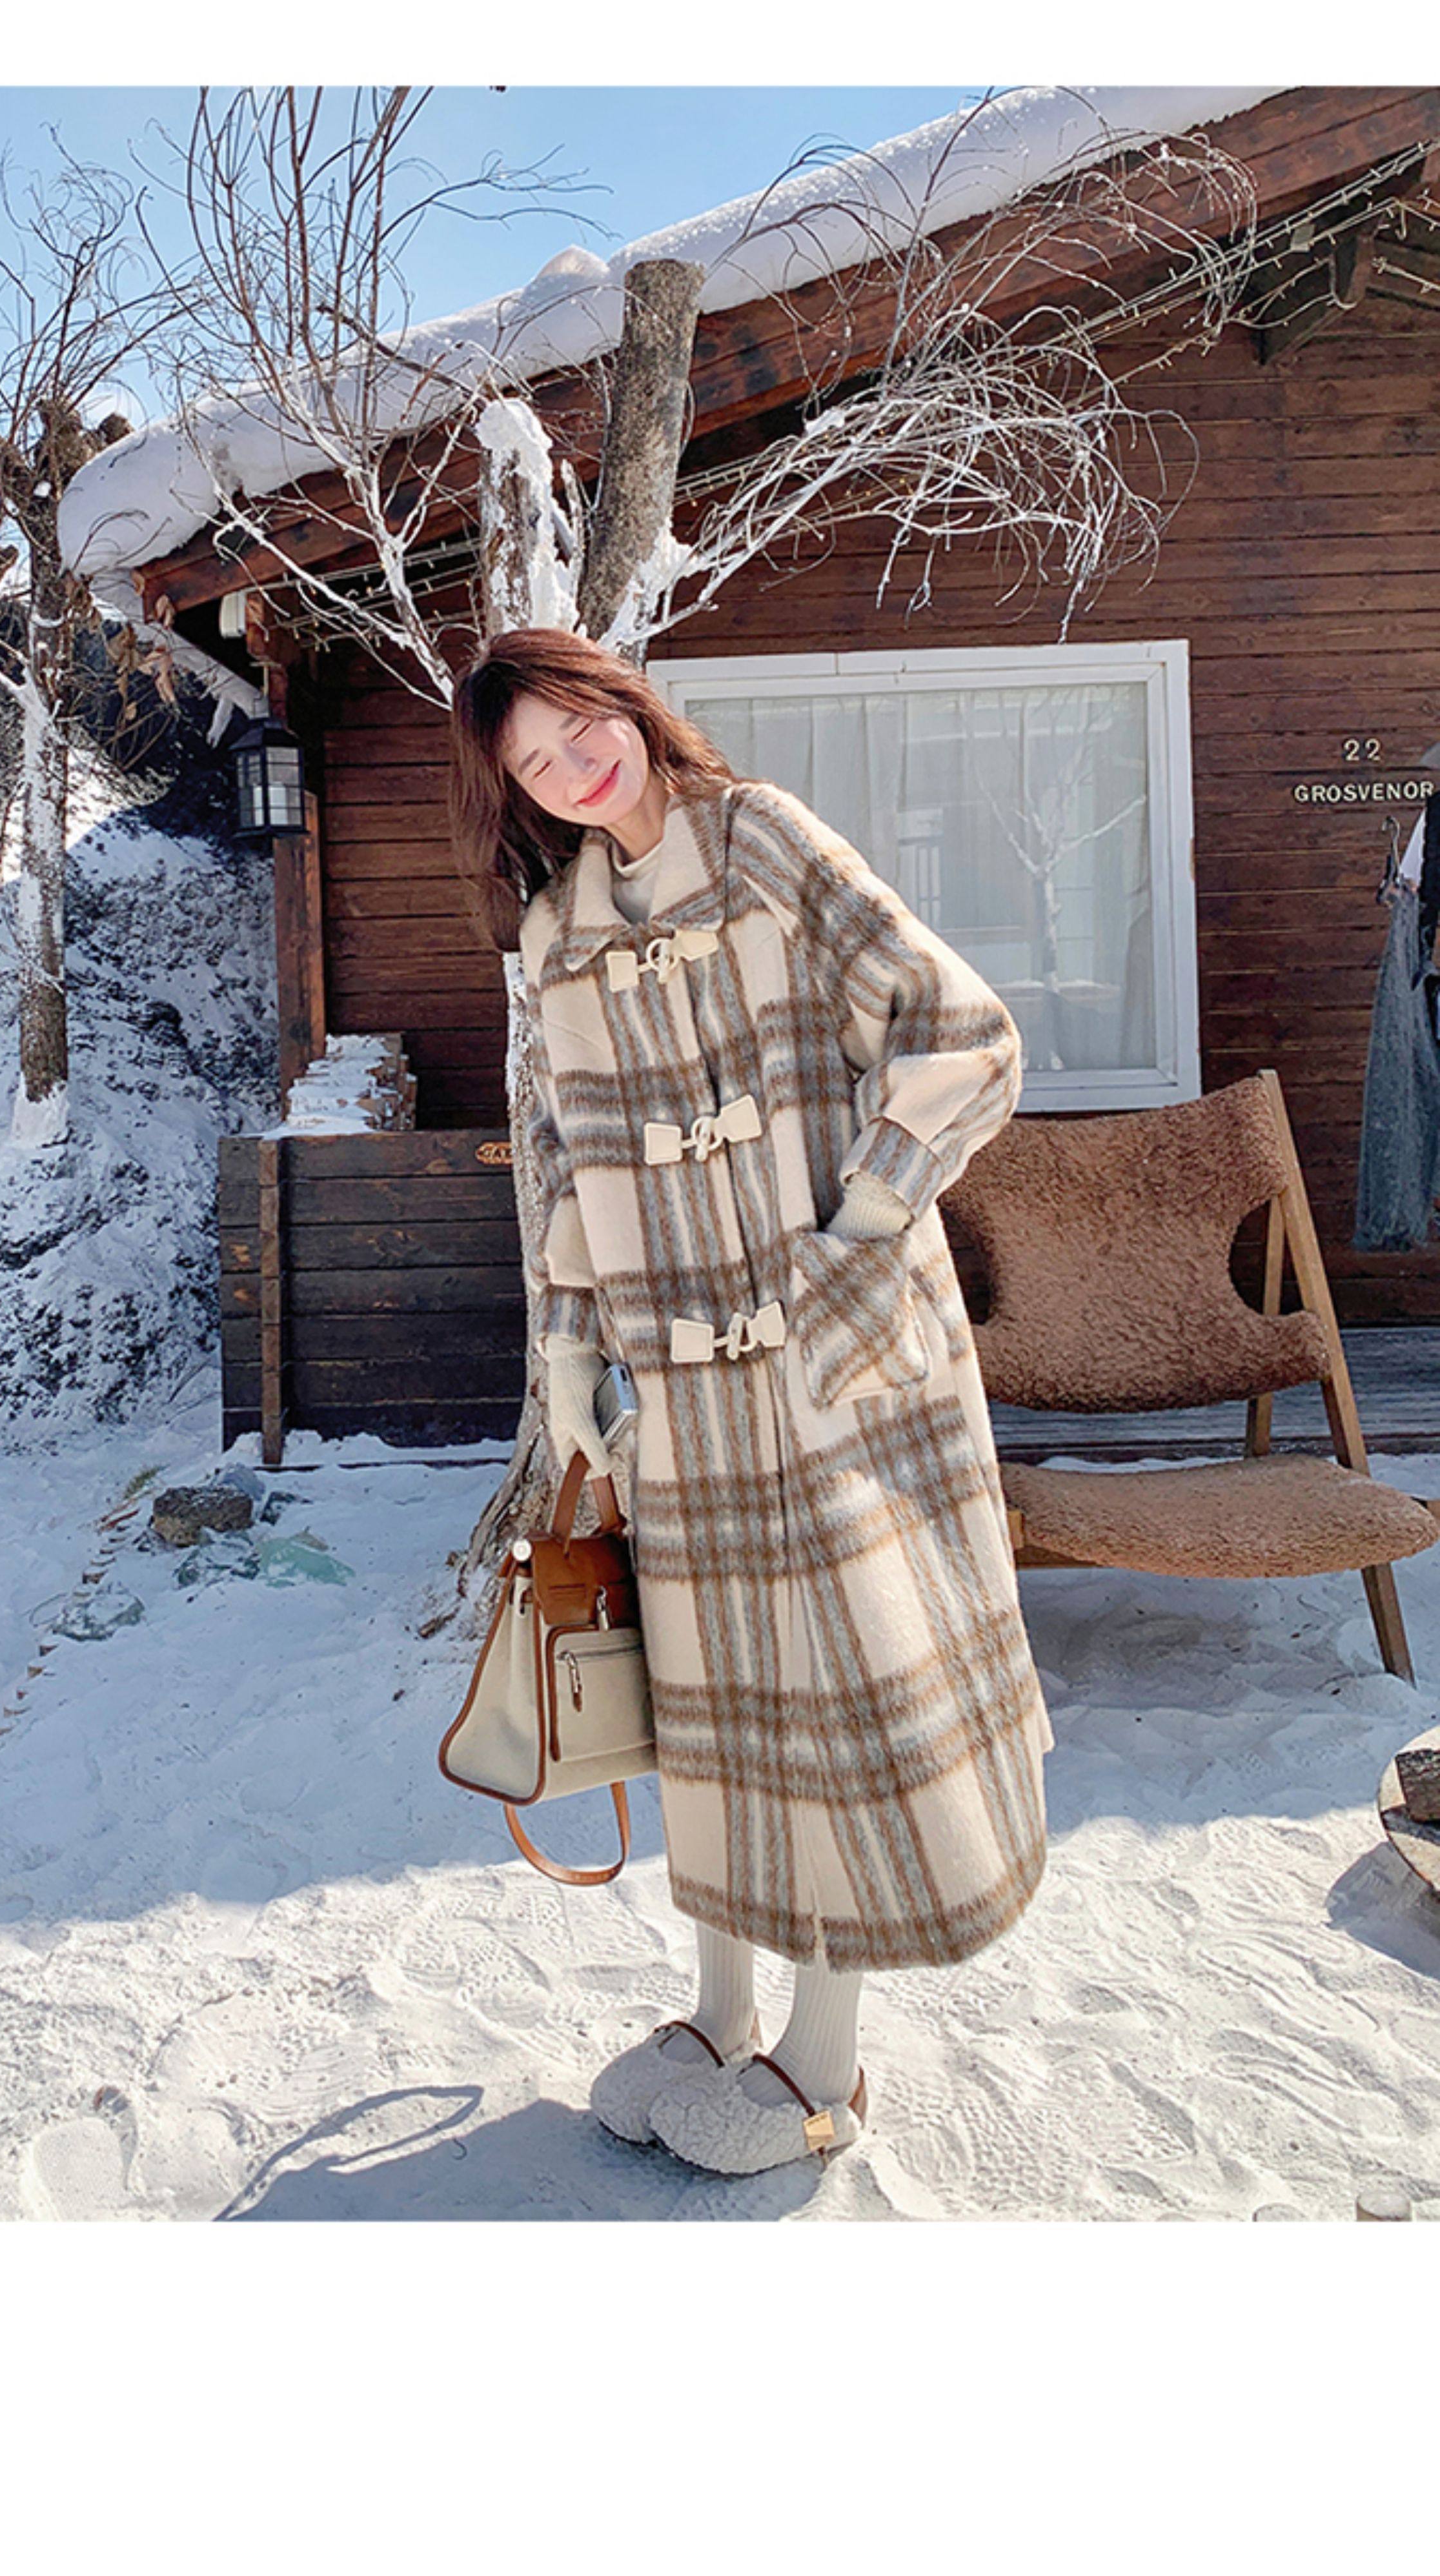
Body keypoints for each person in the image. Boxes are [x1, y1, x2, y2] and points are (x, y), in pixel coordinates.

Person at [448, 625, 1053, 2177]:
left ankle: (822, 2058)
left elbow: (960, 1029)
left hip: (836, 1363)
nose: (575, 764)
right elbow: (569, 1166)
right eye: (535, 760)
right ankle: (720, 2015)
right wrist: (568, 1357)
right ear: (518, 793)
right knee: (706, 1706)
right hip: (675, 1385)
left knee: (836, 1699)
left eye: (580, 723)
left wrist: (858, 1240)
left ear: (625, 704)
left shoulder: (766, 842)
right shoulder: (558, 935)